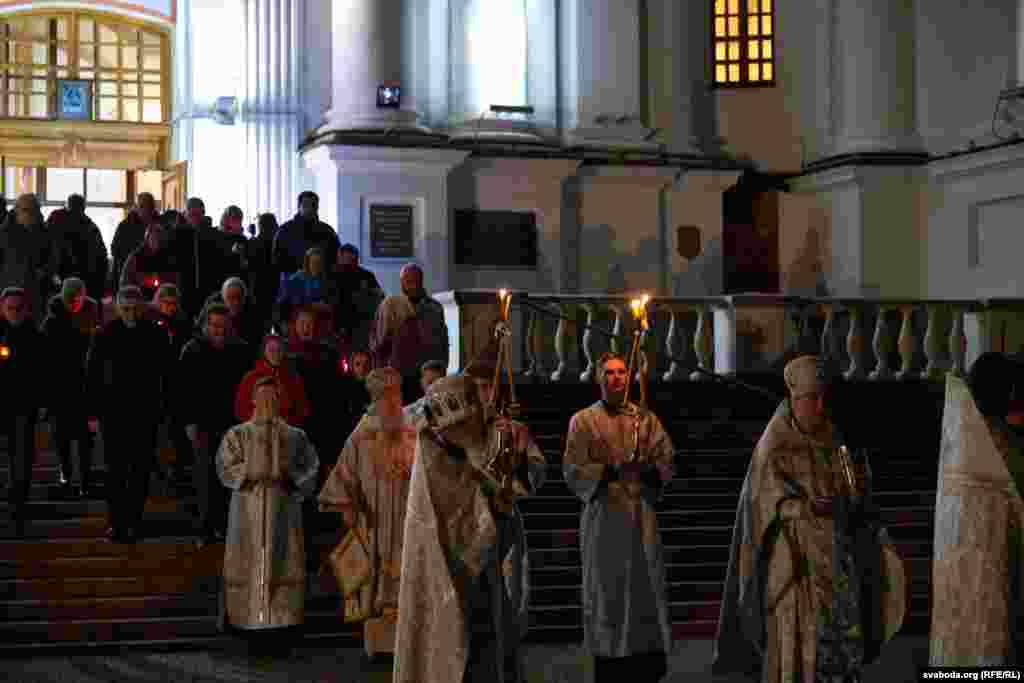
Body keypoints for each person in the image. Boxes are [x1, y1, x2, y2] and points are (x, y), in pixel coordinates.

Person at [714, 354, 907, 683]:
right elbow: (762, 506)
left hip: (837, 564)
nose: (820, 406)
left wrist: (853, 498)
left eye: (824, 398)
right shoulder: (773, 446)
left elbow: (857, 495)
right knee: (799, 653)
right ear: (795, 398)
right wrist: (802, 509)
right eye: (812, 398)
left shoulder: (836, 441)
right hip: (795, 568)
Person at [394, 370, 545, 683]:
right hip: (449, 575)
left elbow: (514, 490)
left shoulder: (496, 434)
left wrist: (509, 456)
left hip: (488, 580)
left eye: (487, 390)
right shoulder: (433, 453)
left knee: (490, 650)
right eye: (479, 392)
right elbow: (459, 526)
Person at [562, 352, 675, 683]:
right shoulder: (582, 421)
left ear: (630, 377)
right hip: (604, 519)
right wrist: (610, 471)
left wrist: (651, 471)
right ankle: (610, 666)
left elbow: (667, 459)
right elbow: (572, 469)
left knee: (645, 590)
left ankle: (647, 664)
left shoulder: (646, 420)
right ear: (598, 377)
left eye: (622, 372)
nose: (616, 378)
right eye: (609, 372)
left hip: (641, 516)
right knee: (607, 592)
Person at [319, 367, 419, 675]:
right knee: (375, 579)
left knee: (405, 577)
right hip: (373, 519)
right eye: (385, 396)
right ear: (375, 399)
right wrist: (347, 504)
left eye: (396, 395)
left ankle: (405, 642)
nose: (392, 401)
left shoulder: (412, 432)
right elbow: (344, 475)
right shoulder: (360, 435)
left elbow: (425, 472)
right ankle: (377, 643)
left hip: (406, 518)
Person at [929, 352, 1024, 666]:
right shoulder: (1005, 447)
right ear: (1006, 393)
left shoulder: (958, 439)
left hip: (955, 570)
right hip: (996, 568)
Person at [216, 376, 320, 658]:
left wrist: (292, 477)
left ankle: (281, 627)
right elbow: (226, 465)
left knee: (283, 562)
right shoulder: (238, 434)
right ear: (252, 400)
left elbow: (310, 467)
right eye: (262, 397)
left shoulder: (294, 436)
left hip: (282, 509)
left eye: (272, 398)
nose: (267, 403)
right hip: (248, 509)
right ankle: (247, 626)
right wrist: (248, 472)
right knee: (248, 563)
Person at [86, 286, 168, 543]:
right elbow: (93, 376)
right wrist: (93, 412)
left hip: (144, 414)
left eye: (134, 308)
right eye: (126, 309)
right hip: (113, 415)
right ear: (118, 309)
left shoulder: (155, 334)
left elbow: (164, 376)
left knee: (140, 470)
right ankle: (117, 522)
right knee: (115, 471)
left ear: (142, 308)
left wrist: (161, 409)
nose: (130, 313)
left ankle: (134, 520)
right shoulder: (104, 335)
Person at [178, 302, 253, 547]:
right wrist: (188, 421)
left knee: (229, 478)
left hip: (232, 424)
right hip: (203, 423)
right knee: (204, 478)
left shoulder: (240, 351)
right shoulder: (192, 350)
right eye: (214, 325)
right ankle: (204, 529)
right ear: (205, 325)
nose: (218, 330)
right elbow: (183, 390)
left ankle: (223, 527)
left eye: (223, 325)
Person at [41, 277, 101, 497]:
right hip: (61, 388)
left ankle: (84, 479)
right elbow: (45, 359)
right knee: (63, 437)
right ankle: (66, 475)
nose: (74, 304)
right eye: (70, 300)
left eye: (78, 299)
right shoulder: (52, 321)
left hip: (85, 387)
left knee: (86, 438)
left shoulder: (92, 315)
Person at [0, 287, 45, 536]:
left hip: (23, 407)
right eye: (10, 308)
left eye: (18, 308)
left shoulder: (35, 337)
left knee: (21, 457)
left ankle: (18, 502)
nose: (14, 313)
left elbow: (43, 373)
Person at [372, 263, 449, 404]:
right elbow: (378, 343)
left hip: (428, 376)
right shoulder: (391, 306)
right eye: (407, 281)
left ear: (421, 281)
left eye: (415, 281)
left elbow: (443, 342)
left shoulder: (434, 308)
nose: (411, 285)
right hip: (400, 376)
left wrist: (442, 370)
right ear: (401, 283)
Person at [0, 193, 59, 320]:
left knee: (33, 329)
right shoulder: (5, 233)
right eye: (27, 210)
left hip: (36, 292)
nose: (31, 215)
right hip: (9, 291)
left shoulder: (44, 233)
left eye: (34, 211)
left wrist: (44, 272)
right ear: (17, 211)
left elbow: (53, 259)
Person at [234, 334, 310, 427]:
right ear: (264, 352)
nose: (276, 353)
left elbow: (302, 410)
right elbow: (240, 410)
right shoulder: (251, 378)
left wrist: (286, 425)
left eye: (279, 350)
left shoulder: (293, 378)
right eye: (271, 350)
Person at [47, 194, 108, 302]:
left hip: (63, 275)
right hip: (83, 276)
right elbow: (101, 256)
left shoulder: (56, 220)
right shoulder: (89, 226)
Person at [273, 191, 339, 279]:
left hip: (321, 281)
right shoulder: (285, 230)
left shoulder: (327, 231)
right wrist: (294, 271)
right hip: (292, 281)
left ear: (317, 207)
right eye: (306, 205)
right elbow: (277, 259)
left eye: (313, 205)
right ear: (298, 207)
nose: (310, 209)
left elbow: (335, 257)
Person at [332, 243, 383, 349]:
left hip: (361, 325)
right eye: (345, 261)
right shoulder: (331, 275)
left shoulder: (366, 276)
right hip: (337, 325)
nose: (349, 265)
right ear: (339, 258)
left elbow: (380, 296)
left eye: (352, 261)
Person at [276, 247, 336, 332]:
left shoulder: (327, 281)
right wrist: (311, 305)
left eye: (319, 263)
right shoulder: (296, 279)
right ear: (307, 263)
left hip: (320, 323)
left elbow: (331, 300)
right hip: (298, 321)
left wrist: (327, 305)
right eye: (314, 263)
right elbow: (287, 302)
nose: (316, 266)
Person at [111, 192, 157, 296]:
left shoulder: (159, 224)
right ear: (137, 208)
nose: (146, 211)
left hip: (154, 275)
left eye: (149, 207)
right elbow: (116, 250)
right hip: (131, 276)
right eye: (142, 207)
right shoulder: (125, 227)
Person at [120, 222, 178, 299]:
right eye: (154, 237)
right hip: (141, 299)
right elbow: (125, 282)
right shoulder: (136, 257)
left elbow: (172, 280)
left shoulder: (167, 257)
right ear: (147, 239)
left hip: (162, 299)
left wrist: (162, 282)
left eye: (159, 237)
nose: (157, 240)